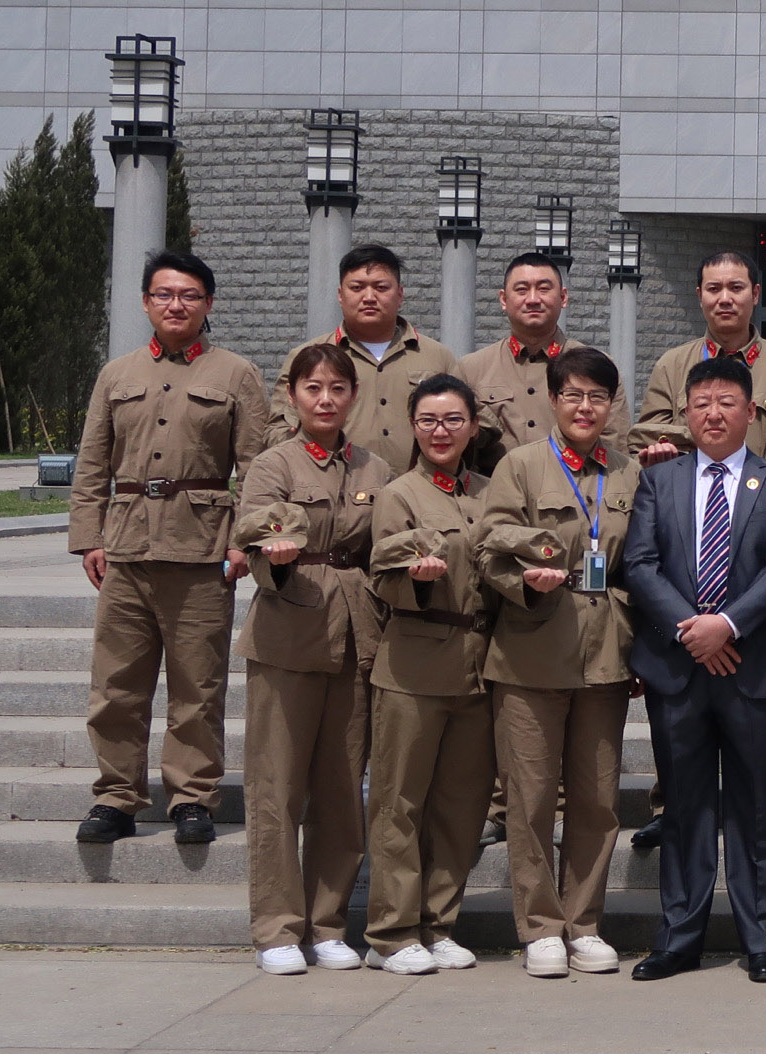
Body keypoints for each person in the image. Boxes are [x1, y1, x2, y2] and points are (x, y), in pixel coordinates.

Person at [616, 355, 766, 983]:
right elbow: (640, 564)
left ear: (751, 413)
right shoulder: (658, 481)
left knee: (758, 808)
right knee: (685, 808)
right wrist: (690, 630)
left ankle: (763, 940)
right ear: (685, 414)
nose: (714, 413)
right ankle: (679, 938)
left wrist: (724, 626)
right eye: (701, 403)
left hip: (753, 668)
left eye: (728, 402)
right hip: (678, 668)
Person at [70, 251, 269, 848]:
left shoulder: (236, 374)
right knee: (116, 685)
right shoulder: (117, 374)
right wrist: (90, 537)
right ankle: (115, 797)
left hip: (202, 548)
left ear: (208, 304)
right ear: (145, 302)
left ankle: (191, 798)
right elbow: (91, 463)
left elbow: (257, 468)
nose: (175, 305)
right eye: (164, 295)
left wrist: (244, 542)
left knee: (197, 686)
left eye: (188, 295)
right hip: (127, 547)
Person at [477, 348, 639, 980]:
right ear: (552, 399)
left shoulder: (626, 473)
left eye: (598, 397)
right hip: (531, 650)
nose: (585, 407)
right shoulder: (519, 467)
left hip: (605, 653)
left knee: (598, 799)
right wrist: (528, 581)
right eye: (573, 394)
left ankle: (586, 921)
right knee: (532, 795)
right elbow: (490, 550)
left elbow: (640, 561)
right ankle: (541, 925)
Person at [232, 342, 392, 975]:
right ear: (293, 396)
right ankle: (276, 927)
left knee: (340, 788)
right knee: (277, 787)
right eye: (312, 389)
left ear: (353, 396)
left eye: (337, 389)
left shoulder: (375, 467)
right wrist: (272, 553)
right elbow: (254, 527)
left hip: (358, 632)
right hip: (290, 629)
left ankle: (327, 923)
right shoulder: (274, 464)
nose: (325, 400)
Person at [362, 374, 496, 975]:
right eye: (428, 421)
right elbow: (380, 575)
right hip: (414, 663)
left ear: (473, 426)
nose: (441, 432)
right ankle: (392, 932)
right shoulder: (400, 494)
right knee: (399, 803)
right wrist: (413, 579)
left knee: (461, 805)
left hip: (480, 664)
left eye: (453, 420)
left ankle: (439, 922)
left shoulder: (492, 492)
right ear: (414, 428)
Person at [272, 244, 462, 472]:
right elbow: (278, 432)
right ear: (340, 295)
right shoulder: (306, 357)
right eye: (357, 287)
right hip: (334, 491)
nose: (369, 297)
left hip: (417, 495)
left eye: (381, 287)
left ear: (400, 294)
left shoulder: (437, 357)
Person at [632, 248, 766, 470]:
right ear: (700, 296)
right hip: (690, 497)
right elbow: (648, 440)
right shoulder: (672, 365)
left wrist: (764, 484)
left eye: (736, 288)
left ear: (755, 294)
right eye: (714, 289)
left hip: (764, 499)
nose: (725, 299)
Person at [460, 251, 627, 469]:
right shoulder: (471, 369)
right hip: (497, 497)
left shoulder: (599, 366)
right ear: (503, 299)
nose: (532, 299)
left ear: (563, 297)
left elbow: (615, 443)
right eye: (521, 290)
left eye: (544, 289)